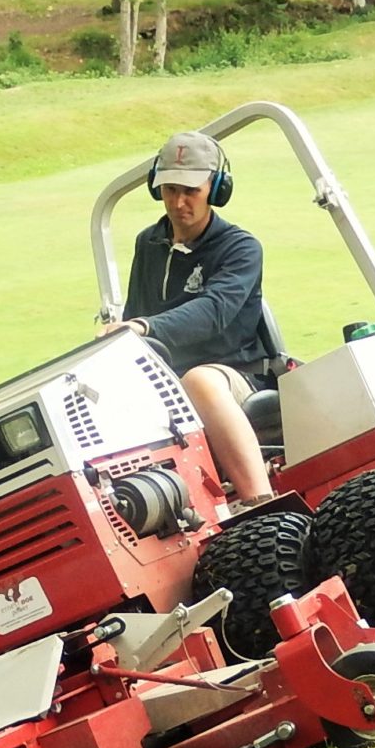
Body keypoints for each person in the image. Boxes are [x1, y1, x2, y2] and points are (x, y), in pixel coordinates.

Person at [99, 129, 276, 506]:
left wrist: (147, 327)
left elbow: (214, 311)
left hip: (233, 375)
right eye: (170, 190)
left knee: (199, 381)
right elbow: (136, 313)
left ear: (216, 189)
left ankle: (260, 502)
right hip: (166, 382)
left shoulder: (240, 248)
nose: (179, 202)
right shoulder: (148, 243)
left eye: (190, 191)